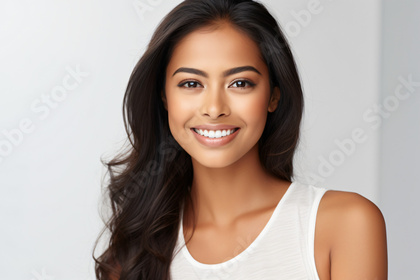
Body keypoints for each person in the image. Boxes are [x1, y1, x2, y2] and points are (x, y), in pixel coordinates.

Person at [92, 0, 388, 279]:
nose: (214, 108)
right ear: (164, 96)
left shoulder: (345, 224)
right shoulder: (133, 251)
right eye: (192, 83)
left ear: (273, 95)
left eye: (240, 83)